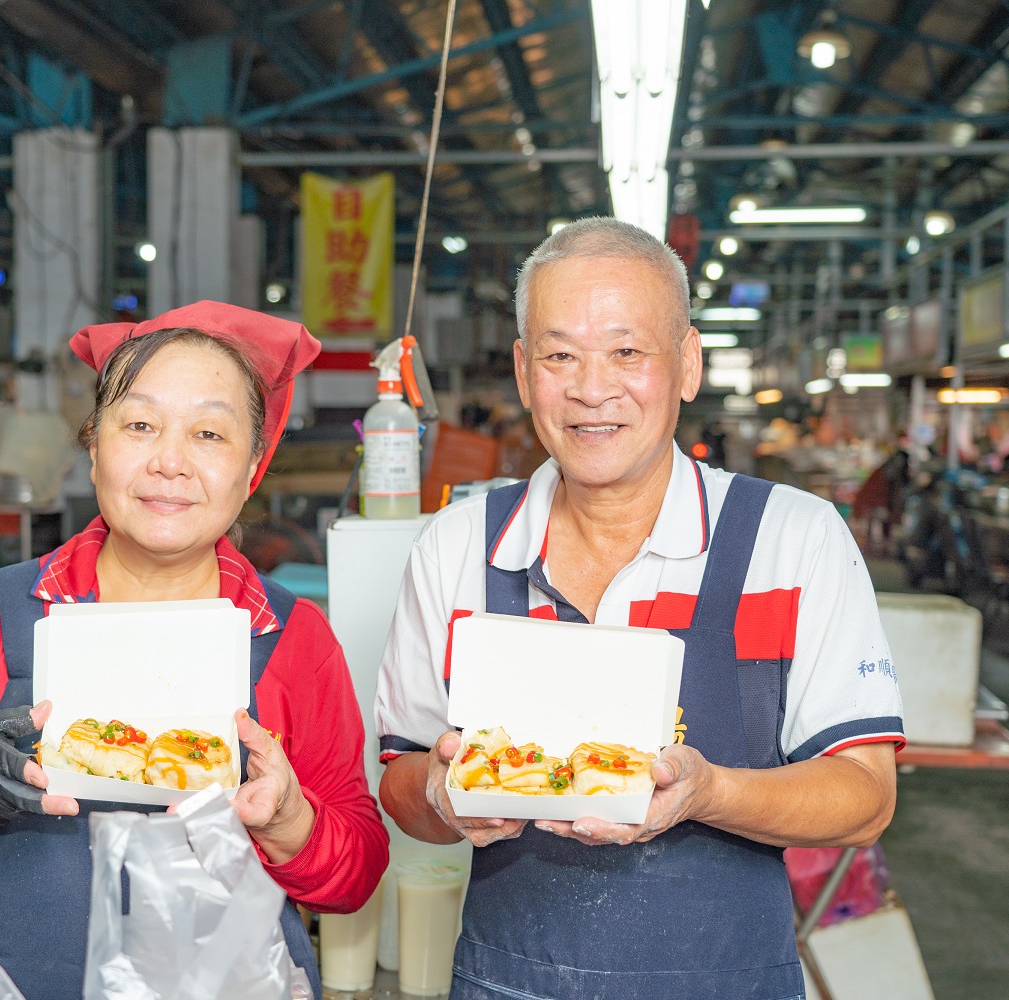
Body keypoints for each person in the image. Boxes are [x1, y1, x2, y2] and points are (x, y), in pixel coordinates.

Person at [375, 219, 903, 1000]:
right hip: (508, 982)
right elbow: (399, 785)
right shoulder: (457, 548)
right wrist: (442, 794)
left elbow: (866, 797)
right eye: (559, 356)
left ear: (688, 364)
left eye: (627, 352)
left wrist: (710, 793)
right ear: (523, 372)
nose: (592, 389)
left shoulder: (793, 540)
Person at [0, 301, 389, 1000]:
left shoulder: (293, 637)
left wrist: (289, 820)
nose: (169, 462)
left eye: (209, 433)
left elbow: (355, 878)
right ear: (93, 447)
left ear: (252, 468)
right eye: (140, 425)